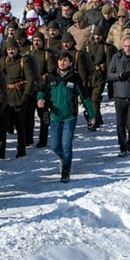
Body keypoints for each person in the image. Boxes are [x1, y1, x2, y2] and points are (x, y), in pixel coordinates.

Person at [37, 51, 95, 182]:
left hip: (70, 117)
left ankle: (66, 171)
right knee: (55, 146)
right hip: (55, 116)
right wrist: (40, 99)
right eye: (60, 60)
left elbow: (85, 97)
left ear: (70, 62)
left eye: (65, 60)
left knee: (66, 145)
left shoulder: (75, 78)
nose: (62, 63)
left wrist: (91, 115)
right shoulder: (50, 77)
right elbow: (42, 91)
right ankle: (64, 159)